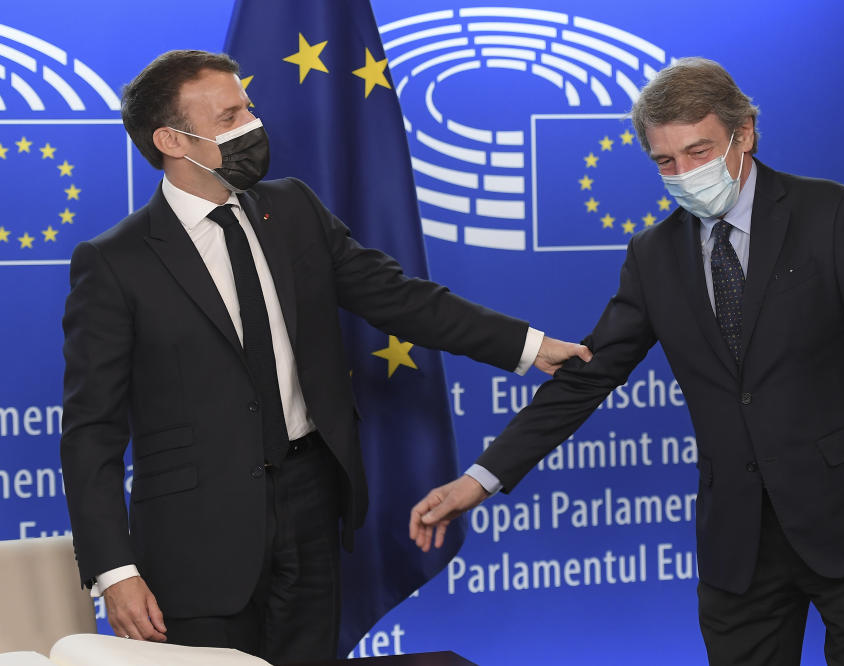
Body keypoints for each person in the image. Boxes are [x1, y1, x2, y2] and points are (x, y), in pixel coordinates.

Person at [410, 57, 844, 665]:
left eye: (698, 153)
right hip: (737, 544)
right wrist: (478, 479)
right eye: (665, 162)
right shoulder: (653, 254)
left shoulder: (835, 216)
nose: (683, 174)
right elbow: (586, 380)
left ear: (744, 132)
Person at [59, 49, 590, 662]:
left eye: (248, 108)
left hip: (313, 501)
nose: (252, 124)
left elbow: (399, 299)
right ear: (171, 140)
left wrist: (529, 347)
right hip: (194, 538)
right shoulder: (115, 261)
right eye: (230, 114)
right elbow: (90, 431)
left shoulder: (292, 209)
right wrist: (114, 570)